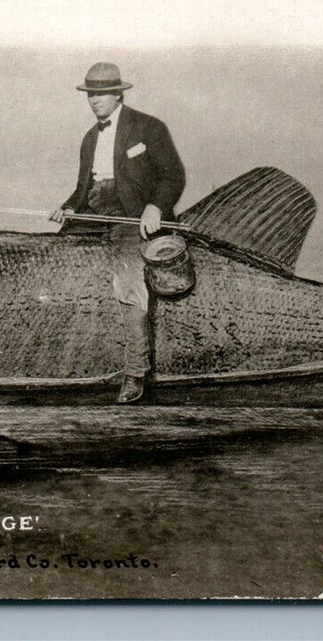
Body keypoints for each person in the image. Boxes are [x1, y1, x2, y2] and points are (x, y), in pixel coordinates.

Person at [49, 62, 185, 404]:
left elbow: (172, 177)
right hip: (94, 213)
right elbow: (84, 189)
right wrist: (67, 207)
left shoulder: (148, 127)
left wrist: (155, 207)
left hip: (131, 216)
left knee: (128, 286)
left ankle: (136, 372)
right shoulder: (90, 138)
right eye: (90, 94)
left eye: (101, 94)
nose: (95, 101)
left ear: (117, 93)